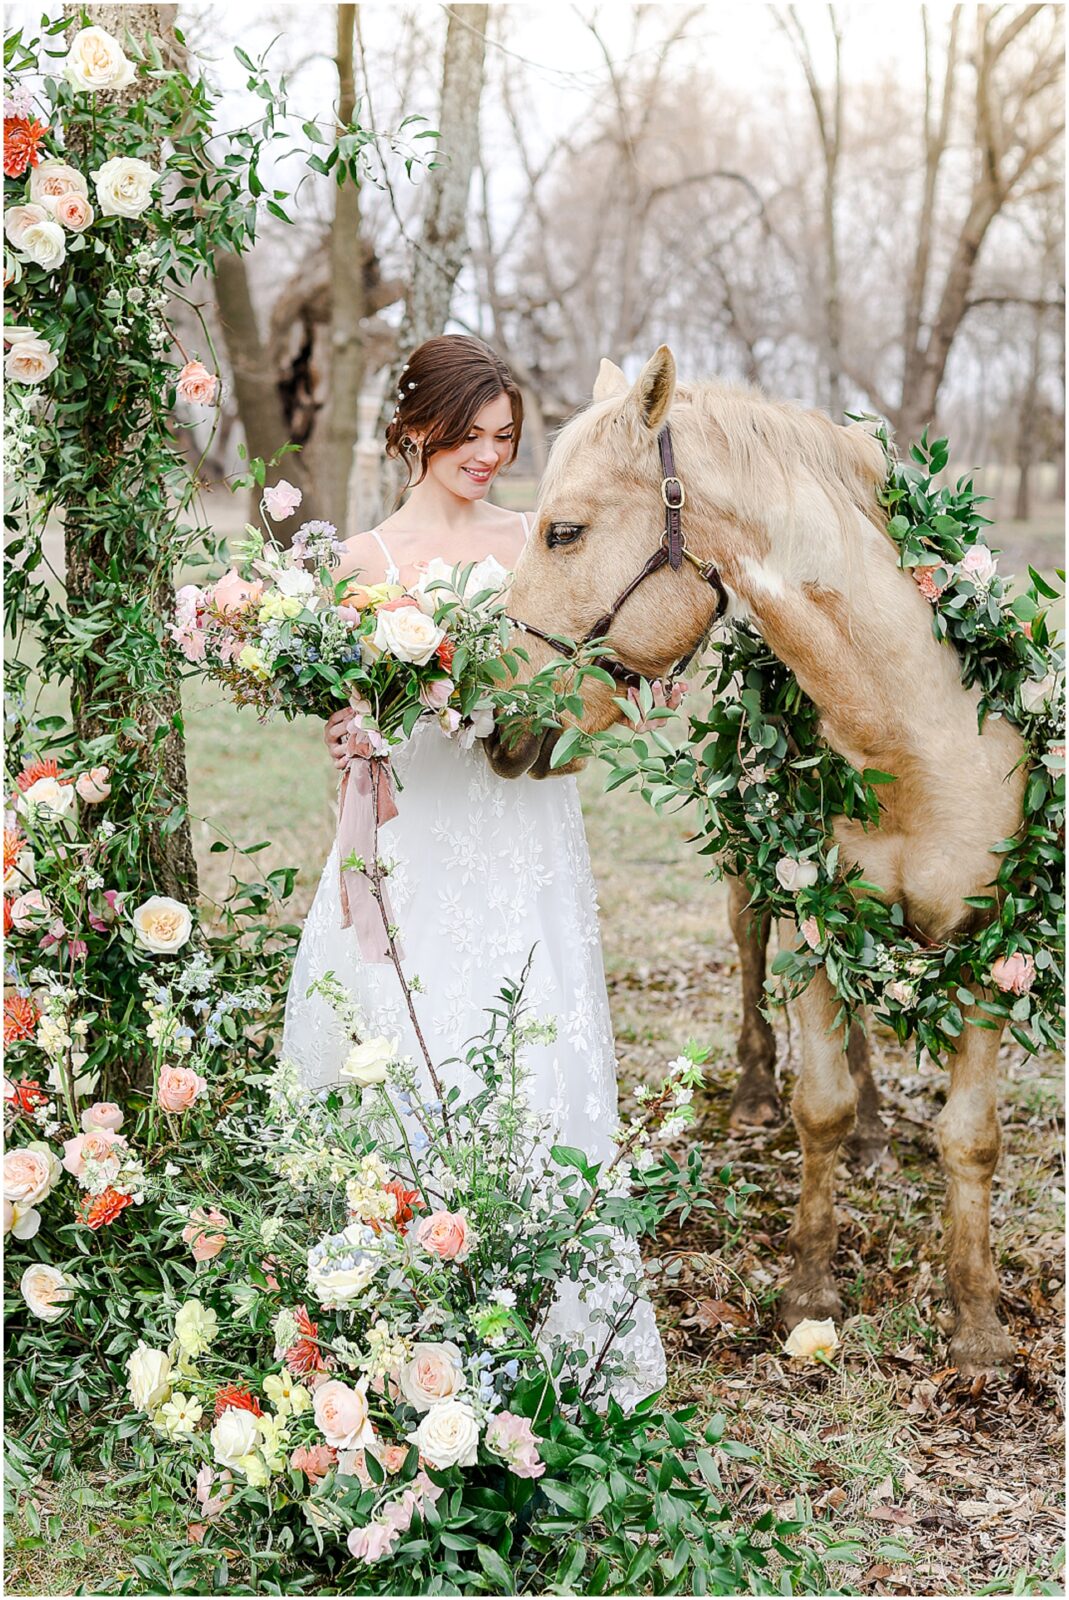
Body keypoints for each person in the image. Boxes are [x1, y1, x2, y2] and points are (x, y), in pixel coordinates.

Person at [281, 333, 666, 1407]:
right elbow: (336, 702)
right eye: (470, 435)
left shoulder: (533, 544)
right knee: (404, 1043)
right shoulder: (360, 563)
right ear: (414, 430)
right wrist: (350, 724)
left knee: (534, 1045)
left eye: (505, 437)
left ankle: (549, 1326)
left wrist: (627, 690)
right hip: (411, 840)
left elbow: (586, 674)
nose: (490, 455)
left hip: (521, 824)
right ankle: (394, 1326)